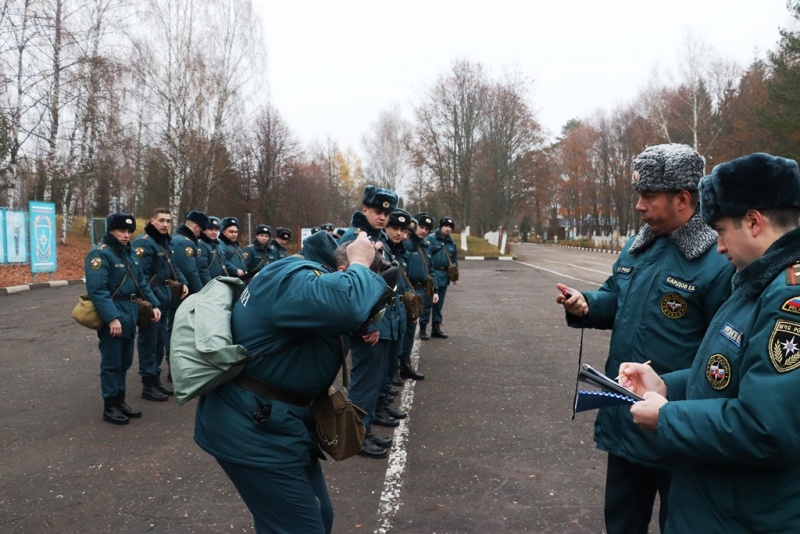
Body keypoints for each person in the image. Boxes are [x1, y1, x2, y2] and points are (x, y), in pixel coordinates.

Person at [556, 143, 736, 534]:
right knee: (620, 522)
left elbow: (725, 354)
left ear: (683, 199)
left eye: (648, 196)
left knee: (682, 523)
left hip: (675, 426)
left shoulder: (718, 261)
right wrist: (585, 304)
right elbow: (615, 296)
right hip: (625, 416)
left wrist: (683, 408)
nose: (639, 206)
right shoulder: (640, 246)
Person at [617, 153, 800, 532]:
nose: (717, 246)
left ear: (753, 222)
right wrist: (668, 384)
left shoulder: (787, 300)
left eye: (719, 231)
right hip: (717, 501)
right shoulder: (755, 280)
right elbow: (727, 370)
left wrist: (667, 418)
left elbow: (766, 428)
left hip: (742, 515)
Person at [194, 231, 389, 534]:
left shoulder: (306, 279)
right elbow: (347, 305)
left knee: (316, 517)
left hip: (280, 425)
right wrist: (362, 263)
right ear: (342, 272)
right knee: (300, 527)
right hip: (253, 429)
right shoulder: (295, 280)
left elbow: (341, 312)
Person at [339, 185, 402, 458]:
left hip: (382, 320)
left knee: (373, 382)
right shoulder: (356, 238)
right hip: (368, 324)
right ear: (364, 209)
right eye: (377, 211)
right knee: (363, 384)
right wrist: (369, 324)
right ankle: (356, 437)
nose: (382, 217)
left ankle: (365, 429)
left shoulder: (377, 237)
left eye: (386, 213)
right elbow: (354, 286)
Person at [84, 213, 162, 424]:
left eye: (129, 231)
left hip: (130, 312)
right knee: (111, 363)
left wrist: (154, 304)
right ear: (111, 231)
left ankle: (120, 401)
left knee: (125, 361)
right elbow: (97, 290)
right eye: (121, 231)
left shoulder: (128, 254)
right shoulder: (100, 255)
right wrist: (111, 318)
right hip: (115, 312)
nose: (126, 235)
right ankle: (110, 406)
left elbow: (142, 283)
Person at [132, 208, 188, 401]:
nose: (165, 224)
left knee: (160, 341)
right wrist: (149, 301)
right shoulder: (144, 242)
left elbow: (174, 266)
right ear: (152, 221)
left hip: (164, 296)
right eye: (161, 220)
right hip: (151, 298)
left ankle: (155, 380)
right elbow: (140, 276)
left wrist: (183, 283)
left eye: (168, 221)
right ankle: (148, 383)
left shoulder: (164, 242)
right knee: (149, 341)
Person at [399, 213, 439, 377]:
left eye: (427, 229)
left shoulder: (426, 246)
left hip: (420, 293)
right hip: (407, 292)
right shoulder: (406, 244)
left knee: (410, 331)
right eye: (421, 227)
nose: (423, 231)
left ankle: (405, 365)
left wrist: (435, 290)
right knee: (401, 331)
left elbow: (431, 270)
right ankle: (395, 368)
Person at [419, 216, 458, 339]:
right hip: (431, 274)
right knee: (427, 303)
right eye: (446, 226)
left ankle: (436, 328)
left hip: (444, 276)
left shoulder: (452, 243)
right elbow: (425, 257)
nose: (448, 229)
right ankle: (423, 328)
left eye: (450, 227)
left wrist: (455, 276)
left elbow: (454, 260)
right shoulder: (430, 239)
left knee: (439, 304)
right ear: (441, 227)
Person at [198, 216, 226, 284]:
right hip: (210, 284)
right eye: (211, 229)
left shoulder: (217, 244)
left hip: (218, 282)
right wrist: (210, 285)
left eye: (216, 230)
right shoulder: (201, 244)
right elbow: (202, 269)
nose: (214, 232)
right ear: (204, 230)